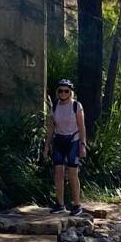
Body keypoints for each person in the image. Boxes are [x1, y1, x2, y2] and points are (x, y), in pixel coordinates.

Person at [44, 79, 87, 216]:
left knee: (73, 174)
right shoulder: (55, 105)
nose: (63, 93)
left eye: (66, 91)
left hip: (73, 140)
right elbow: (51, 128)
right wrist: (46, 147)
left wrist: (83, 145)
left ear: (70, 92)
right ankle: (60, 204)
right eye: (61, 90)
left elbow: (81, 126)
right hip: (59, 140)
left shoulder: (76, 106)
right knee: (58, 173)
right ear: (58, 92)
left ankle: (76, 205)